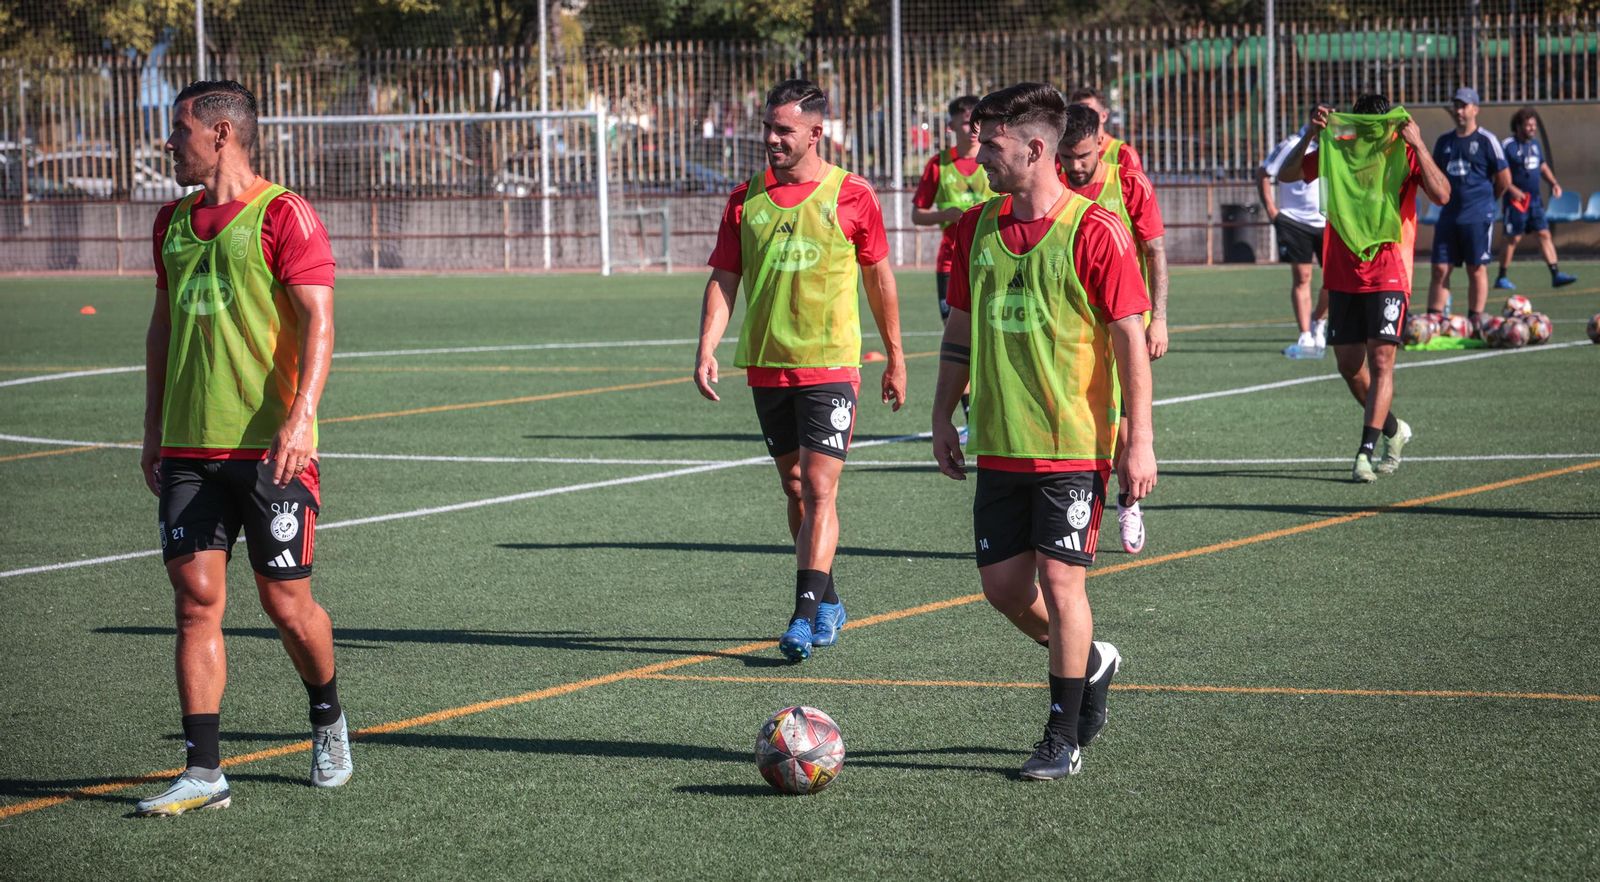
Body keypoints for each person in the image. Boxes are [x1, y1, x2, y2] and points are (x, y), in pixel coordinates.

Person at [931, 82, 1155, 780]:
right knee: (1003, 588)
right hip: (1000, 440)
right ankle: (1093, 662)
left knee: (1062, 584)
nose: (978, 156)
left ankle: (1062, 735)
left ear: (1033, 148)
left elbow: (1129, 340)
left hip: (1072, 444)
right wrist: (941, 414)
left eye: (991, 144)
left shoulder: (1096, 230)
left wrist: (1140, 440)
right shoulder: (973, 228)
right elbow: (959, 329)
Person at [137, 80, 348, 816]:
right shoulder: (171, 222)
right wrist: (152, 427)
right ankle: (204, 770)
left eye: (179, 129)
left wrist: (301, 417)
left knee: (287, 605)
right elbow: (162, 327)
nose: (169, 142)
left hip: (269, 451)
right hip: (188, 449)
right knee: (195, 603)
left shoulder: (282, 213)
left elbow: (319, 321)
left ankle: (327, 717)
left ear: (221, 133)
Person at [694, 79, 907, 663]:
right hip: (767, 365)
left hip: (830, 365)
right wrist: (707, 346)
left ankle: (803, 615)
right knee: (794, 487)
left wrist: (895, 356)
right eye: (768, 127)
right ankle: (828, 599)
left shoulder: (852, 194)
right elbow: (725, 278)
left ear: (815, 133)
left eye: (783, 129)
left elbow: (879, 279)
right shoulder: (744, 199)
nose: (771, 138)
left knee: (818, 487)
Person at [1278, 94, 1451, 483]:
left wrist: (1419, 143)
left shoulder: (1404, 151)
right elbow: (1287, 176)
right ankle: (1393, 429)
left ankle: (1364, 452)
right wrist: (1310, 134)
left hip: (1390, 271)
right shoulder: (1339, 150)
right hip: (1343, 273)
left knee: (1382, 362)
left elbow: (1442, 194)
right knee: (1349, 367)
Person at [1056, 102, 1166, 556]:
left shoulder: (1128, 183)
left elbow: (1154, 252)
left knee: (1122, 429)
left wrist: (1159, 319)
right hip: (1070, 329)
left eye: (1083, 155)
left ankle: (1127, 502)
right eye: (1067, 156)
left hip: (1124, 325)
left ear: (1100, 143)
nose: (1075, 166)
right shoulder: (1052, 184)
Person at [1425, 87, 1520, 330]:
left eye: (1464, 106)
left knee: (1475, 268)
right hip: (1448, 215)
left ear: (1475, 109)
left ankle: (1475, 320)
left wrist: (1487, 203)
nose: (1459, 111)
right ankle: (1433, 321)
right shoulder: (1444, 142)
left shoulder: (1487, 140)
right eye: (1456, 105)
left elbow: (1504, 180)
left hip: (1477, 215)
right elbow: (1434, 176)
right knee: (1439, 268)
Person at [912, 95, 994, 323]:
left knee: (990, 328)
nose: (974, 128)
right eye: (967, 122)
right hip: (951, 262)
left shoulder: (995, 160)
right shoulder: (938, 164)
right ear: (951, 126)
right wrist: (945, 215)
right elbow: (917, 215)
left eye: (979, 122)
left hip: (991, 259)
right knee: (953, 329)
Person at [1258, 124, 1330, 358]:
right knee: (1302, 277)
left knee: (1333, 280)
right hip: (1295, 221)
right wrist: (1272, 211)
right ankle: (1305, 334)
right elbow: (1264, 172)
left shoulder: (1336, 144)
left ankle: (1319, 319)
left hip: (1328, 221)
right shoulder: (1291, 145)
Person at [1496, 106, 1578, 290]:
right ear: (1518, 126)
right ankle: (1501, 276)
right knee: (1513, 238)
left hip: (1534, 201)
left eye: (1534, 125)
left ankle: (1556, 274)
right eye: (1528, 125)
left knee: (1544, 234)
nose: (1533, 128)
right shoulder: (1507, 145)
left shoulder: (1535, 145)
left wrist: (1554, 183)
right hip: (1515, 202)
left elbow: (1542, 166)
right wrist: (1512, 190)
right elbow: (1499, 173)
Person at [1065, 86, 1143, 172]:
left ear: (1104, 116)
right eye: (1076, 112)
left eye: (1088, 111)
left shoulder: (1123, 154)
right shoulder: (1063, 153)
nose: (1081, 117)